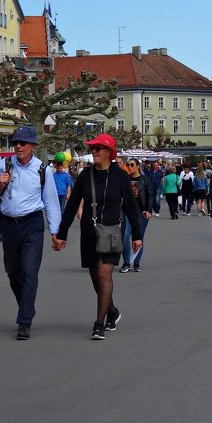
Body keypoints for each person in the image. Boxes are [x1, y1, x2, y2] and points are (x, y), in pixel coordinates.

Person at [54, 133, 141, 340]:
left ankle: (99, 323)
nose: (94, 152)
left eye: (98, 149)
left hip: (111, 231)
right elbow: (72, 205)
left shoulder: (120, 176)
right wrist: (62, 233)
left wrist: (137, 235)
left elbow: (130, 206)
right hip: (89, 233)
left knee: (104, 275)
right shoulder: (85, 175)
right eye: (92, 148)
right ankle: (112, 311)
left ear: (109, 152)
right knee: (95, 278)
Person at [0, 124, 62, 340]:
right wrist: (1, 185)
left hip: (32, 224)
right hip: (9, 224)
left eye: (22, 143)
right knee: (13, 272)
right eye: (15, 143)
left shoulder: (42, 170)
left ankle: (24, 321)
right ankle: (27, 306)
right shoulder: (3, 165)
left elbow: (50, 202)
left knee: (29, 271)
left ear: (32, 145)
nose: (18, 146)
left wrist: (55, 232)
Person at [119, 158, 153, 273]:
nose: (130, 167)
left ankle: (136, 263)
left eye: (132, 165)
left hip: (141, 212)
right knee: (124, 238)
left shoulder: (145, 180)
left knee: (139, 238)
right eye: (128, 165)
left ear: (138, 166)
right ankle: (127, 262)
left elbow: (150, 195)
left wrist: (148, 210)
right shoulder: (125, 180)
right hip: (127, 212)